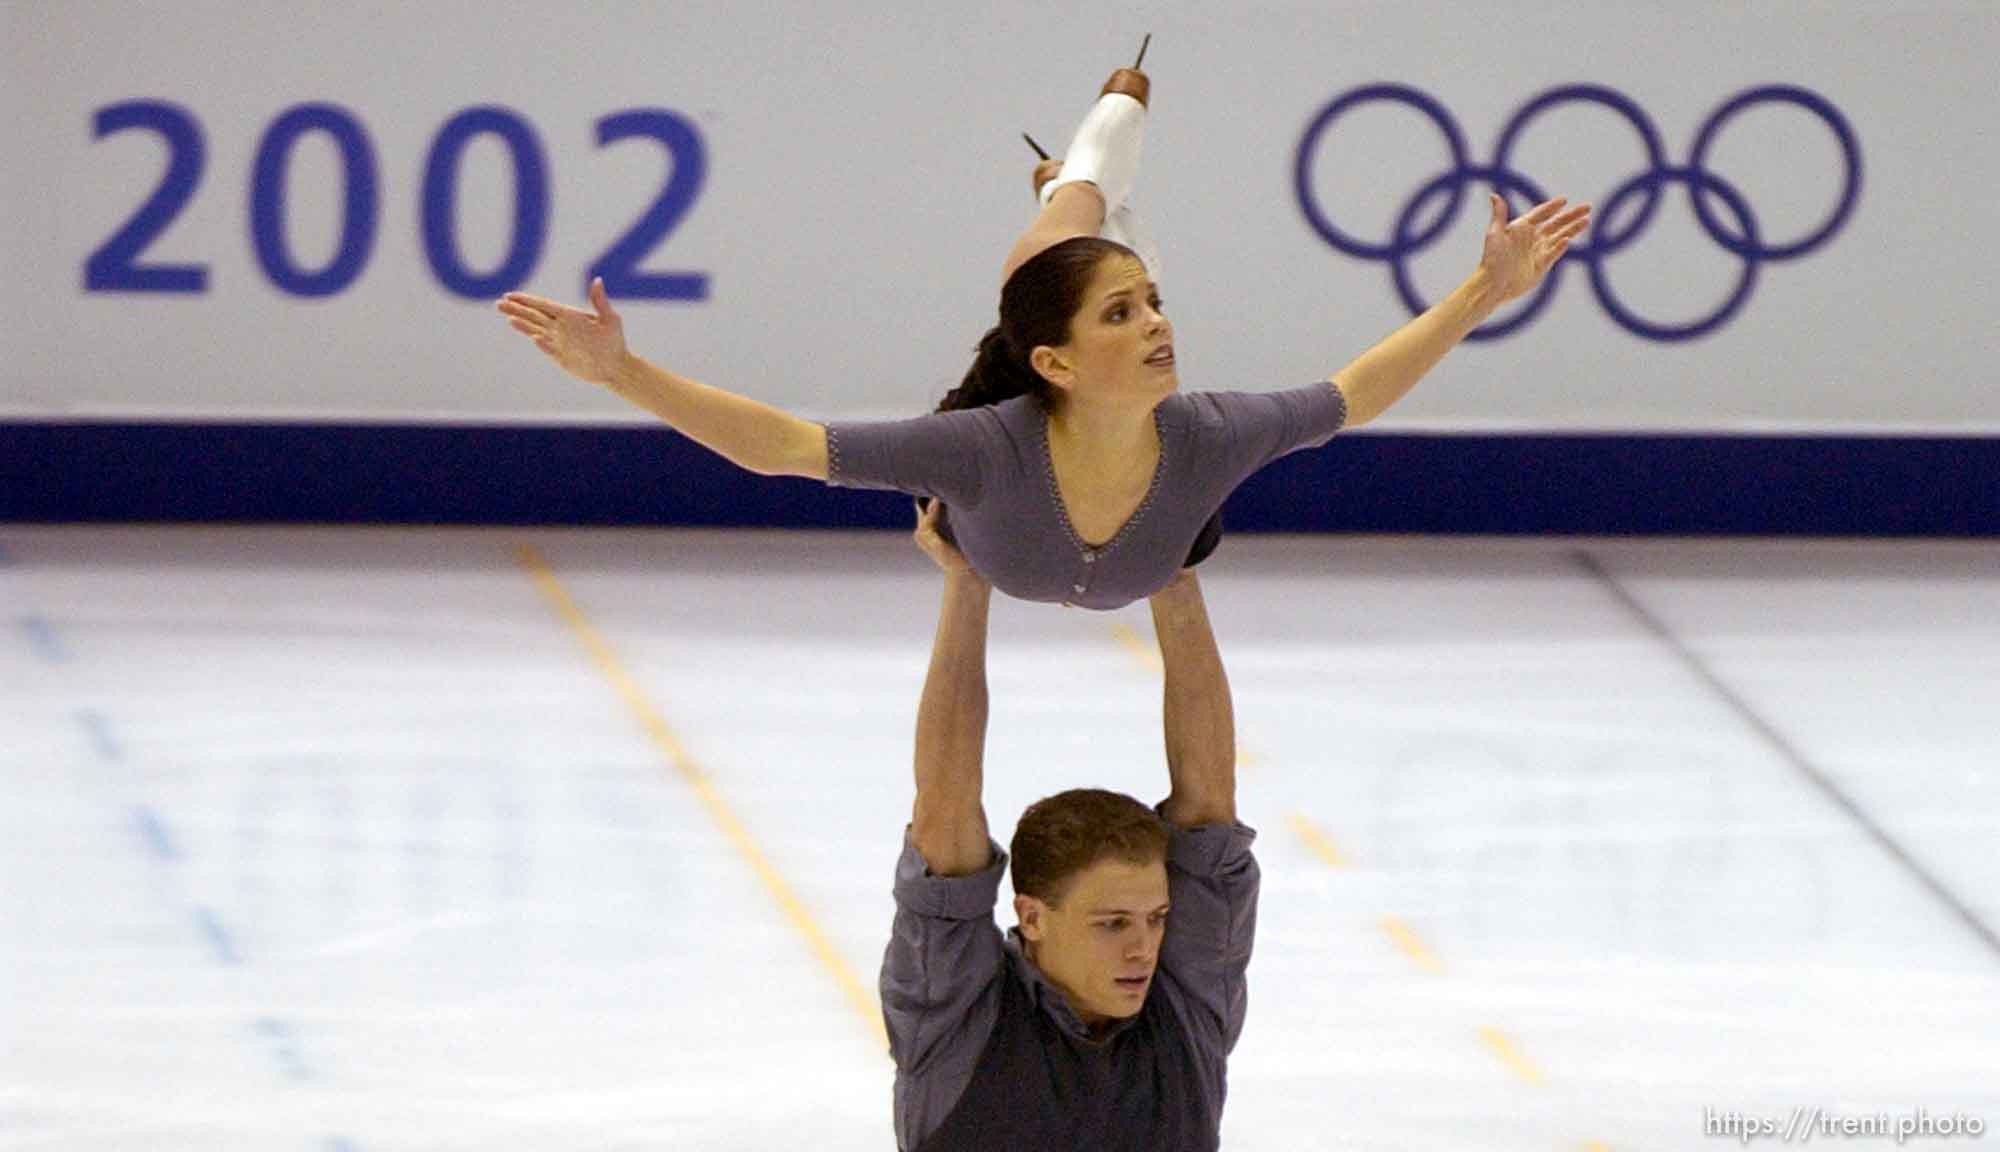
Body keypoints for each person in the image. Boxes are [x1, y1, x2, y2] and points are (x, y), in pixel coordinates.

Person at [493, 63, 1591, 609]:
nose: (1159, 324)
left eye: (1152, 309)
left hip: (1097, 462)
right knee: (1063, 235)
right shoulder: (981, 448)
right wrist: (622, 370)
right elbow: (781, 444)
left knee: (1093, 250)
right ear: (1054, 365)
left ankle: (1083, 197)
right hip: (1036, 360)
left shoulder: (1207, 435)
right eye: (1127, 316)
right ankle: (1079, 170)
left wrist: (1479, 295)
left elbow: (1351, 392)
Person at [881, 500, 1249, 1150]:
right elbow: (944, 811)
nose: (1145, 949)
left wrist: (1175, 570)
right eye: (1111, 923)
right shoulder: (956, 1020)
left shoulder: (1184, 1011)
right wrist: (966, 583)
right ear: (1032, 917)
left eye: (1156, 918)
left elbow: (1210, 807)